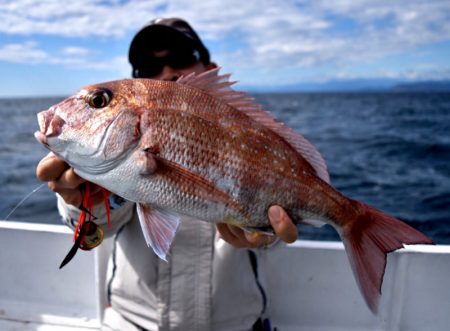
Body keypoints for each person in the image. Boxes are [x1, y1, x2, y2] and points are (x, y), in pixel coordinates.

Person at [36, 18, 298, 331]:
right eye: (149, 65)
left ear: (210, 67)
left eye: (183, 56)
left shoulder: (256, 139)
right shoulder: (117, 150)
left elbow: (285, 223)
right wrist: (83, 203)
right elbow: (100, 228)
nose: (168, 72)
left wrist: (264, 235)